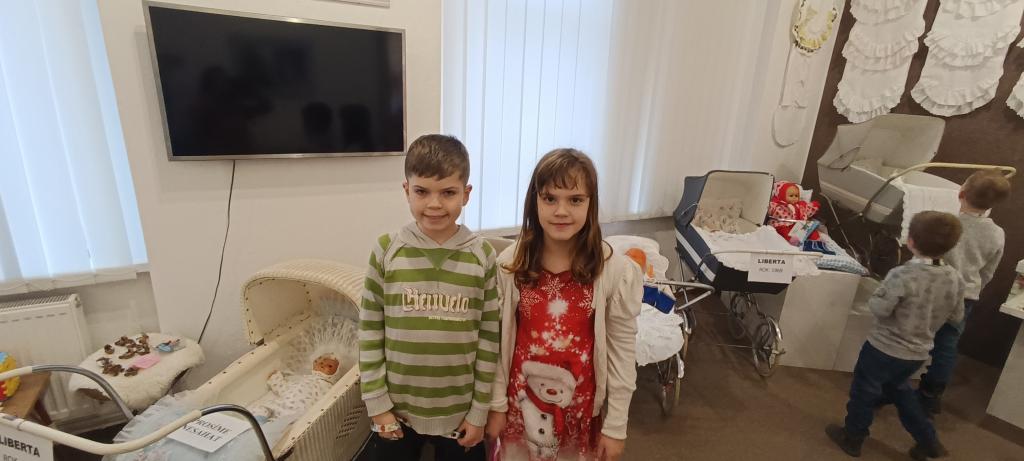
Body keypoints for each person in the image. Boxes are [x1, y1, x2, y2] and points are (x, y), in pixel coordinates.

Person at [485, 148, 643, 461]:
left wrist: (616, 425)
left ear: (591, 204)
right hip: (520, 410)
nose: (561, 211)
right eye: (550, 198)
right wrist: (496, 405)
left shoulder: (612, 269)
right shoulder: (510, 265)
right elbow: (495, 342)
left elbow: (622, 352)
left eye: (575, 200)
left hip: (579, 414)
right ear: (535, 201)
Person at [359, 134, 498, 461]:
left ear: (466, 194)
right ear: (407, 190)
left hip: (461, 414)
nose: (434, 204)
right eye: (422, 192)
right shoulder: (386, 250)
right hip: (397, 413)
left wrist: (479, 412)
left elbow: (489, 339)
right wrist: (377, 405)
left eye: (448, 193)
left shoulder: (482, 255)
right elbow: (369, 332)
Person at [826, 211, 966, 460]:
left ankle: (853, 436)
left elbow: (880, 309)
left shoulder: (902, 274)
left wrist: (877, 295)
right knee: (901, 392)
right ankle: (928, 441)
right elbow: (956, 317)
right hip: (917, 353)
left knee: (864, 391)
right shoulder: (955, 278)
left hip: (883, 348)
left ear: (910, 241)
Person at [917, 170, 1010, 414]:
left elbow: (927, 256)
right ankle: (931, 393)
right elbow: (988, 271)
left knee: (914, 335)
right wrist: (974, 287)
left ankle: (893, 381)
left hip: (934, 291)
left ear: (961, 193)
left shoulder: (946, 224)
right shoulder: (997, 234)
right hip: (965, 296)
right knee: (947, 344)